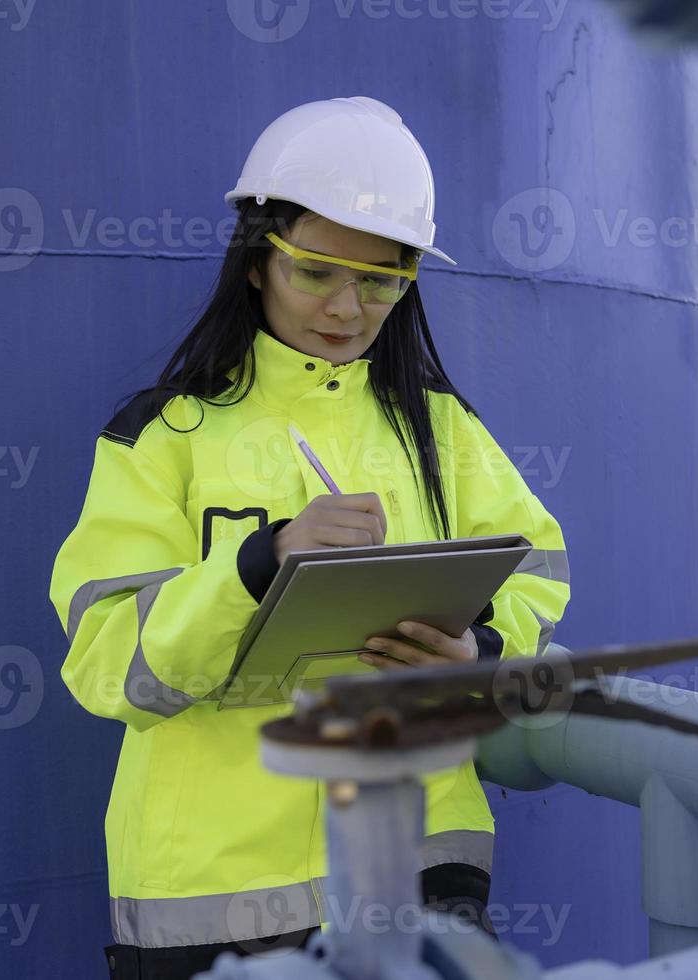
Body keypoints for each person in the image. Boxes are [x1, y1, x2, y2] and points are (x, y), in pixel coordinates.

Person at [47, 96, 570, 980]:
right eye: (317, 270)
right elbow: (106, 663)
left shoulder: (443, 431)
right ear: (257, 260)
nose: (347, 306)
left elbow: (535, 574)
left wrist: (476, 647)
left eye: (381, 279)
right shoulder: (161, 437)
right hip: (211, 890)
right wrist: (258, 563)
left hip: (417, 860)